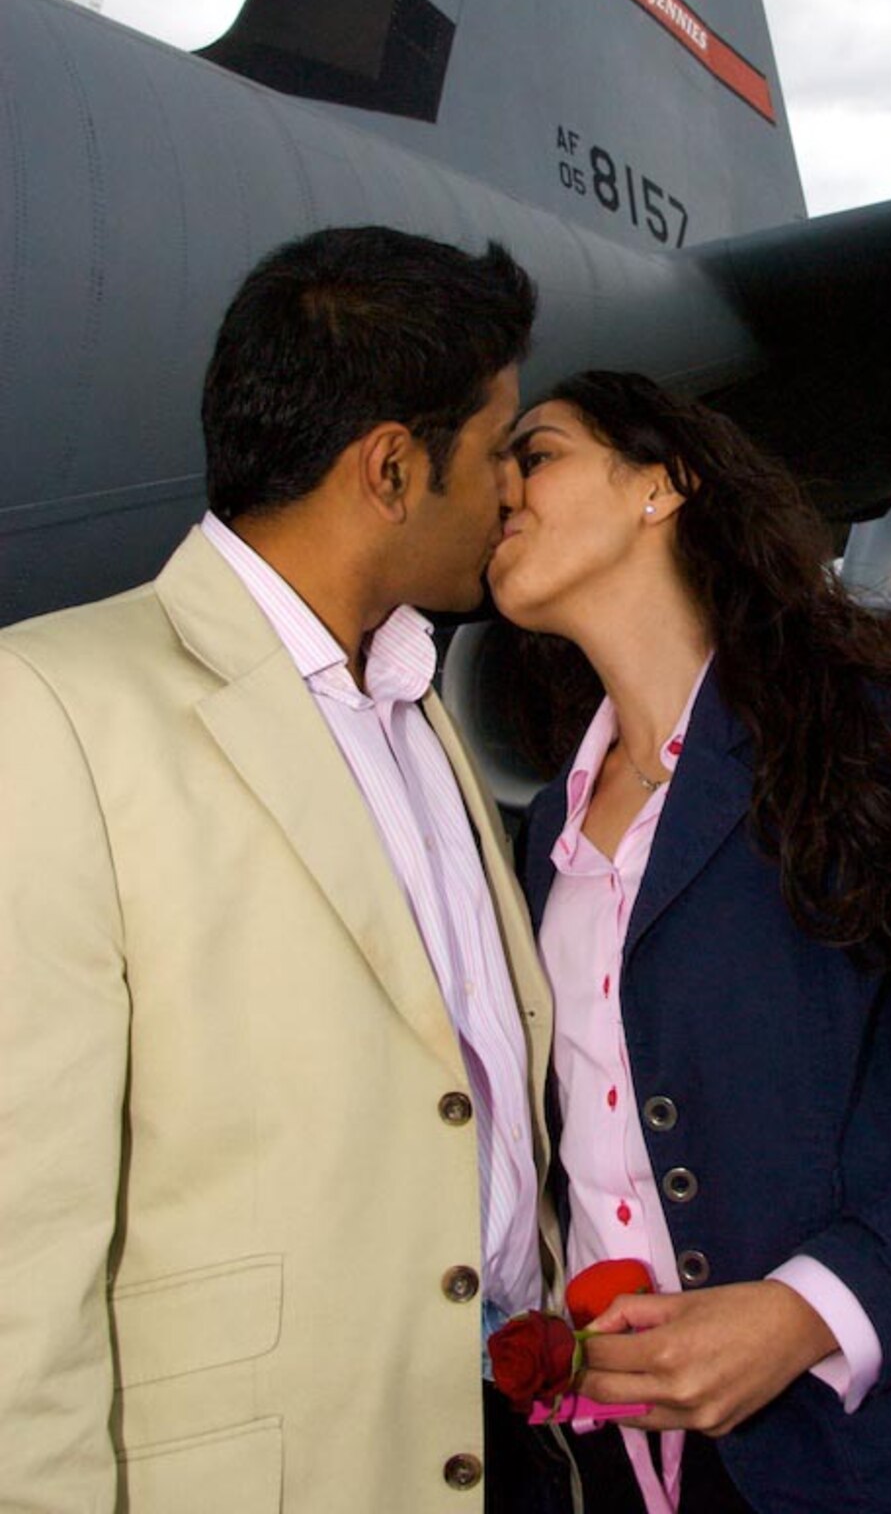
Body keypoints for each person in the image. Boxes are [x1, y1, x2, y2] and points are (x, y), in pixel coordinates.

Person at [485, 371, 891, 1514]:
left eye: (534, 453)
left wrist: (807, 1309)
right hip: (620, 1469)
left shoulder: (860, 734)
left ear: (661, 484)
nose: (499, 485)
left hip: (870, 1461)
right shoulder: (547, 829)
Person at [0, 227, 571, 1514]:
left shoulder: (416, 699)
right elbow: (17, 1247)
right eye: (494, 453)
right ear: (390, 467)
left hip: (508, 1443)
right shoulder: (49, 704)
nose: (511, 495)